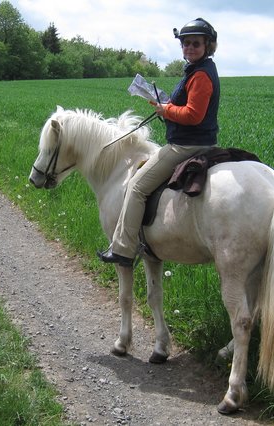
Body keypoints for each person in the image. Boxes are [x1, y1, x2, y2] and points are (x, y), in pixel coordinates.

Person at [98, 18, 221, 267]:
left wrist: (167, 111)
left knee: (136, 186)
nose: (189, 48)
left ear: (207, 46)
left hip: (185, 146)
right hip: (200, 141)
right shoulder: (199, 71)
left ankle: (123, 248)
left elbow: (193, 115)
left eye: (196, 44)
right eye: (186, 44)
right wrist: (167, 107)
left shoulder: (201, 76)